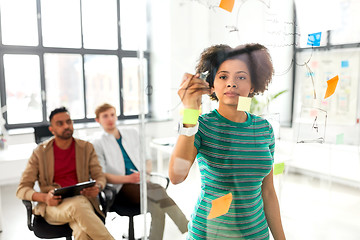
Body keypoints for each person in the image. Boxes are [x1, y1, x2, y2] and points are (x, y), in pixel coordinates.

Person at [170, 43, 286, 239]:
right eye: (223, 77)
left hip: (256, 234)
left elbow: (268, 192)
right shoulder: (202, 125)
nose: (231, 83)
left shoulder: (264, 128)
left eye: (241, 77)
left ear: (253, 85)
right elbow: (176, 176)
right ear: (212, 84)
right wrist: (190, 110)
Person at [92, 103, 189, 240]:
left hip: (142, 184)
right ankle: (186, 226)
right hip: (120, 188)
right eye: (105, 116)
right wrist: (129, 179)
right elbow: (101, 174)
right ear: (98, 120)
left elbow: (147, 159)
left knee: (157, 207)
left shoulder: (131, 133)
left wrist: (145, 174)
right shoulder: (97, 142)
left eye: (112, 115)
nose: (110, 119)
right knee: (158, 189)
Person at [16, 107, 115, 240]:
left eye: (69, 121)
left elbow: (99, 176)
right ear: (52, 129)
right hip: (54, 206)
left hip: (84, 201)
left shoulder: (86, 148)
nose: (66, 126)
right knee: (78, 205)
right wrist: (45, 198)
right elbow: (22, 189)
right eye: (60, 123)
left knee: (82, 232)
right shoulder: (40, 153)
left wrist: (98, 187)